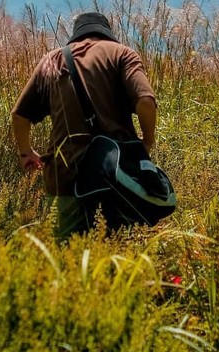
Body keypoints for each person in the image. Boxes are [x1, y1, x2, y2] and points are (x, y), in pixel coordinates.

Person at [11, 12, 158, 240]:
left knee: (66, 256)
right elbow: (146, 101)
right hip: (115, 175)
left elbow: (19, 116)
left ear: (76, 34)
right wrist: (147, 141)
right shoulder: (122, 54)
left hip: (64, 176)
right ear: (106, 32)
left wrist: (26, 152)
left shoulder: (52, 60)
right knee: (119, 251)